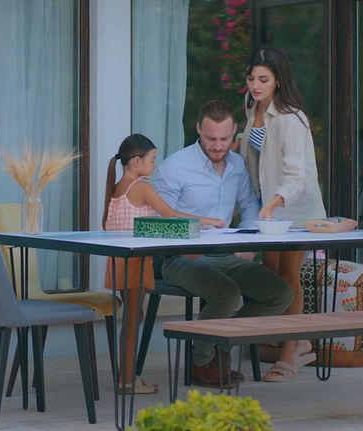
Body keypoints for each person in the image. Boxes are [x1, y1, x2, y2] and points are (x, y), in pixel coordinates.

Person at [153, 100, 292, 389]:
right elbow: (159, 220)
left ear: (234, 132)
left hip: (226, 255)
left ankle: (220, 344)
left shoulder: (237, 165)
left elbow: (250, 205)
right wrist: (196, 225)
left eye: (224, 139)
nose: (218, 146)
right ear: (198, 130)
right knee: (226, 293)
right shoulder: (175, 167)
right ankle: (202, 361)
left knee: (280, 293)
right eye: (211, 139)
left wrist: (249, 241)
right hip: (181, 257)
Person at [102, 133, 223, 394]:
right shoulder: (141, 187)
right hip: (135, 261)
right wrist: (207, 221)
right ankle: (126, 382)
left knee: (134, 317)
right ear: (137, 161)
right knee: (132, 321)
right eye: (152, 159)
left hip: (119, 261)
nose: (154, 165)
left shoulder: (117, 187)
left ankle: (129, 376)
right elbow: (171, 214)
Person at [240, 46, 327, 382]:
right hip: (267, 211)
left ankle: (291, 353)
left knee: (288, 277)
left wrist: (273, 203)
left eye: (263, 79)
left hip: (291, 210)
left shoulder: (291, 118)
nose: (255, 85)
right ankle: (297, 340)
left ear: (278, 80)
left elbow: (296, 175)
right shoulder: (252, 107)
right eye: (251, 78)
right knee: (270, 275)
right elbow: (258, 157)